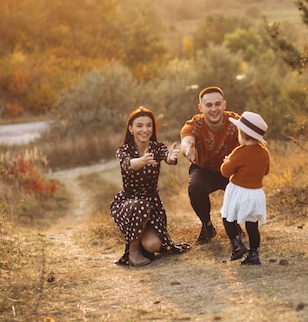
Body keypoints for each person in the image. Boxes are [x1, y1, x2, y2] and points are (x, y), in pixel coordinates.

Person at [111, 106, 189, 267]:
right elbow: (128, 164)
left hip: (153, 204)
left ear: (153, 128)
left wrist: (171, 157)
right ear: (131, 128)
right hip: (129, 203)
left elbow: (167, 158)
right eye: (139, 125)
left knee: (153, 246)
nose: (144, 129)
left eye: (149, 125)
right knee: (141, 205)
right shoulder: (123, 150)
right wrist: (142, 161)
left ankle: (139, 239)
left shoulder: (157, 147)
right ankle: (133, 251)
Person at [180, 86, 241, 244]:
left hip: (229, 168)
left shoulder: (235, 121)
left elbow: (247, 139)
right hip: (204, 168)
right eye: (208, 105)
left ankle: (234, 223)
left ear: (224, 104)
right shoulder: (194, 124)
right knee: (195, 189)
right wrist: (188, 149)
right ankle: (207, 226)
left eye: (217, 104)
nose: (214, 109)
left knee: (242, 187)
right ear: (201, 108)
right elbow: (186, 140)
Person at [220, 111, 270, 265]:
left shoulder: (239, 152)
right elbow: (266, 171)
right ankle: (254, 255)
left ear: (241, 133)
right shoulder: (264, 153)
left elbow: (225, 171)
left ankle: (237, 245)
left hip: (238, 191)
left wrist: (228, 161)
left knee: (227, 217)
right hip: (256, 193)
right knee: (252, 225)